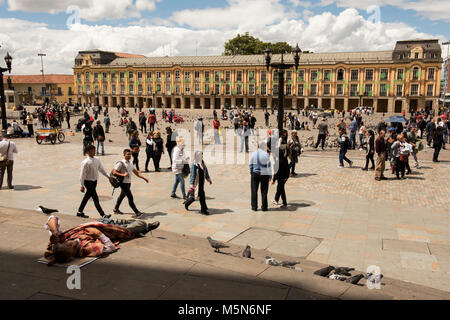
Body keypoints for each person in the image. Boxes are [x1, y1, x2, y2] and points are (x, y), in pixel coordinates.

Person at [43, 215, 160, 266]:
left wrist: (54, 232)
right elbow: (110, 248)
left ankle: (132, 226)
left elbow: (51, 218)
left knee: (110, 220)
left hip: (98, 222)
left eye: (66, 243)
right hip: (107, 231)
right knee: (140, 223)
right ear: (72, 251)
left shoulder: (62, 239)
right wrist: (99, 234)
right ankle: (144, 228)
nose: (70, 242)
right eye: (70, 245)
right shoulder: (85, 249)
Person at [112, 149, 149, 217]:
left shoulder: (131, 163)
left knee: (122, 195)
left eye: (130, 154)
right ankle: (137, 212)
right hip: (123, 183)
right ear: (124, 155)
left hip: (128, 183)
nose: (129, 156)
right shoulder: (121, 163)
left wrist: (144, 178)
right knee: (130, 197)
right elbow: (114, 172)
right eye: (127, 154)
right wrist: (123, 175)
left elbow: (136, 173)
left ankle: (116, 208)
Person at [77, 145, 110, 219]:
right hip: (88, 182)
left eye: (94, 150)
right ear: (88, 152)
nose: (94, 152)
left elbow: (101, 169)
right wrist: (81, 185)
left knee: (86, 197)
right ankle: (103, 214)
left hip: (94, 182)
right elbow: (82, 174)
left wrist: (108, 177)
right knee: (95, 198)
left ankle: (79, 212)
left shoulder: (97, 159)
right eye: (92, 151)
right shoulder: (85, 162)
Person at [250, 141, 271, 212]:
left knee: (254, 191)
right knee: (264, 191)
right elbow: (269, 166)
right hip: (264, 174)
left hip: (255, 173)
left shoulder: (253, 154)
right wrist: (270, 176)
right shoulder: (266, 155)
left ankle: (254, 207)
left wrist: (251, 172)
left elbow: (251, 164)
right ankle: (264, 207)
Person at [272, 137, 290, 209]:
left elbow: (276, 172)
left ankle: (284, 202)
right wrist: (287, 176)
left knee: (281, 188)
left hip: (281, 177)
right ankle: (276, 199)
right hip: (285, 176)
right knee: (280, 188)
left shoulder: (277, 161)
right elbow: (288, 168)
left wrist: (273, 180)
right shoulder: (284, 159)